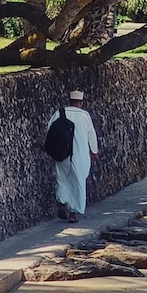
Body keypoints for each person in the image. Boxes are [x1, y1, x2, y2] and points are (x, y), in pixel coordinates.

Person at [47, 90, 98, 224]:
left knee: (62, 179)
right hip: (79, 156)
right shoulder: (84, 115)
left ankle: (63, 201)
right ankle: (73, 213)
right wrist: (94, 151)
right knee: (79, 183)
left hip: (62, 155)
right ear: (81, 102)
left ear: (69, 101)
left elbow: (49, 132)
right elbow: (91, 135)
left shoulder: (59, 113)